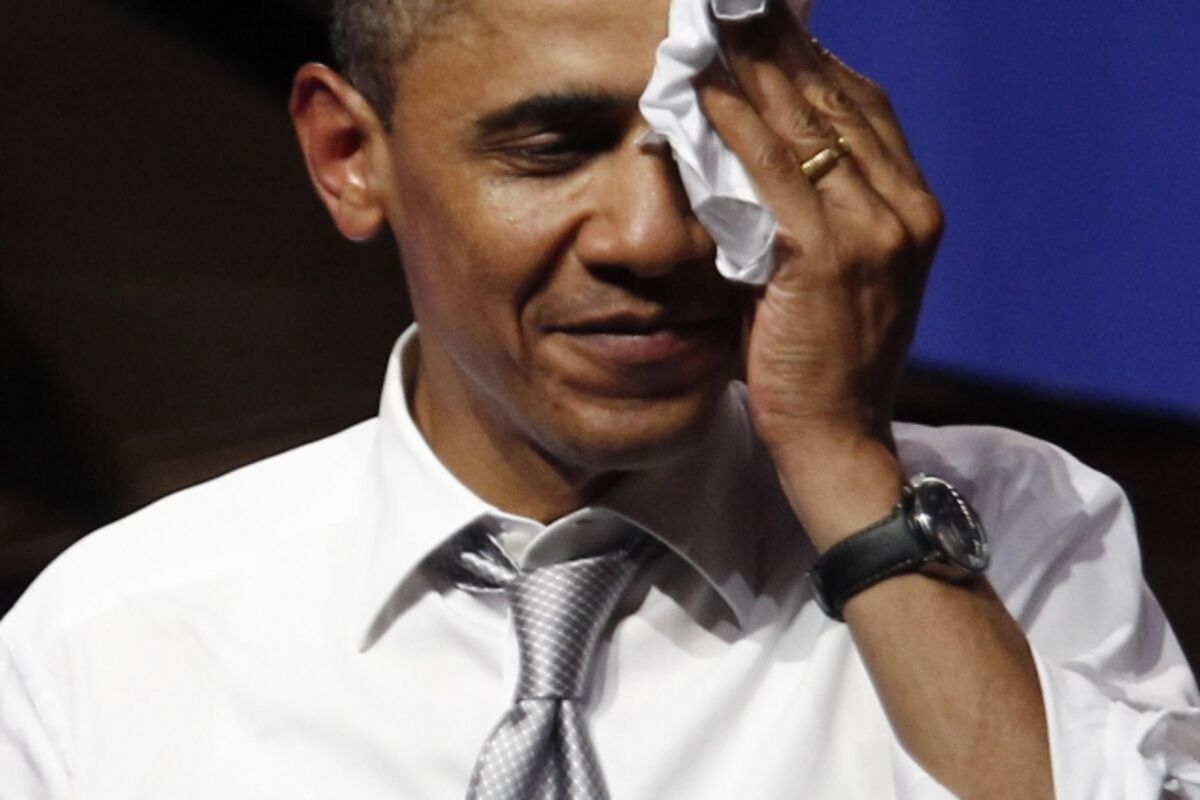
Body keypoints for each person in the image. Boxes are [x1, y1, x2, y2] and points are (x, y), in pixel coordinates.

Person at [2, 0, 1197, 797]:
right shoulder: (109, 640)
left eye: (711, 150)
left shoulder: (1014, 531)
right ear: (347, 155)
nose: (654, 236)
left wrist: (843, 464)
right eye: (552, 148)